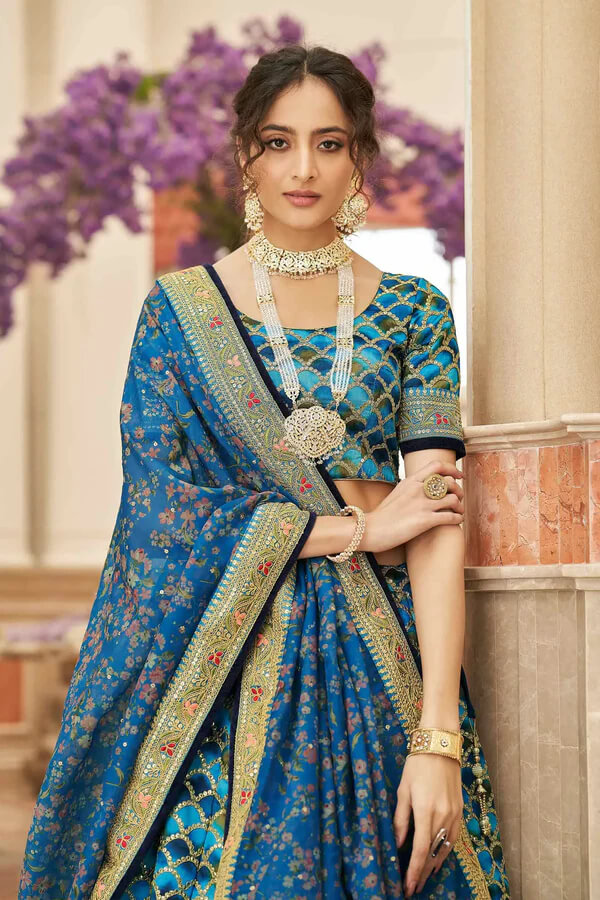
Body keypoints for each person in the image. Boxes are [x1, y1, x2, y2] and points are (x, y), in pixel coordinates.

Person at [19, 44, 510, 900]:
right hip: (225, 663)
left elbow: (436, 522)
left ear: (360, 155)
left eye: (329, 142)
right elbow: (161, 509)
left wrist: (436, 738)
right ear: (245, 152)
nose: (303, 168)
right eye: (279, 142)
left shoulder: (416, 310)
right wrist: (362, 528)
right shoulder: (178, 315)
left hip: (379, 664)